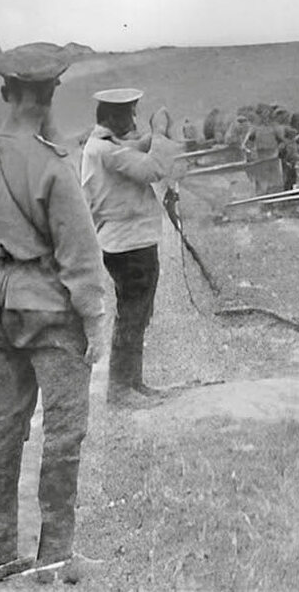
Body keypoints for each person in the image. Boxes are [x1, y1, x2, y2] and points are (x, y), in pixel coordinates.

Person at [0, 47, 106, 583]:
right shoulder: (53, 164)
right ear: (48, 97)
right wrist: (96, 320)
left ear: (5, 93)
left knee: (6, 424)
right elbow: (81, 257)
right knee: (64, 433)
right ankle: (55, 558)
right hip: (47, 311)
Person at [80, 87, 183, 407]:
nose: (134, 118)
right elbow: (151, 169)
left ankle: (132, 383)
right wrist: (160, 133)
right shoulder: (106, 151)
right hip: (128, 245)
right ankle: (121, 390)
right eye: (129, 113)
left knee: (137, 314)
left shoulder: (104, 146)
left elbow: (134, 149)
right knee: (132, 315)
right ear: (113, 117)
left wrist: (151, 139)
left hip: (131, 241)